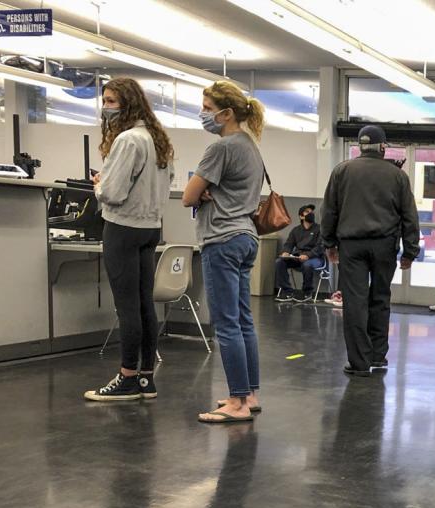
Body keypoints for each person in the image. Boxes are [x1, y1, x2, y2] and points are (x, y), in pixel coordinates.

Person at [84, 78, 174, 401]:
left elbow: (112, 192)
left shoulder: (127, 140)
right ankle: (146, 378)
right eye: (104, 100)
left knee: (127, 308)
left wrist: (99, 184)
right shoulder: (157, 139)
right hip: (150, 228)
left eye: (111, 101)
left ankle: (127, 377)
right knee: (144, 303)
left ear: (128, 104)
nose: (105, 107)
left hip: (122, 228)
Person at [182, 80, 266, 422]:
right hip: (246, 237)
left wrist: (201, 192)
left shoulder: (221, 148)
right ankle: (250, 394)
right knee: (244, 321)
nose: (203, 114)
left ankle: (236, 403)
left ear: (226, 113)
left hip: (221, 238)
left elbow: (188, 195)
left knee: (226, 323)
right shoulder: (250, 146)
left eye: (206, 108)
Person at [320, 125, 420, 376]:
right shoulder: (397, 176)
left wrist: (329, 244)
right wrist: (410, 251)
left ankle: (360, 362)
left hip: (351, 246)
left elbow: (329, 211)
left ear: (360, 146)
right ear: (383, 147)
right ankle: (378, 356)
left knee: (355, 303)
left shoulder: (342, 171)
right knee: (380, 299)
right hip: (384, 246)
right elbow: (409, 215)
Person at [275, 204, 325, 302]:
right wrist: (285, 252)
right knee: (279, 262)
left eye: (311, 212)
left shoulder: (319, 229)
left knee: (307, 265)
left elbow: (320, 247)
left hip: (316, 258)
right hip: (298, 257)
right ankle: (287, 292)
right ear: (301, 216)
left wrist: (308, 255)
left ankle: (307, 293)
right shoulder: (296, 230)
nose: (310, 213)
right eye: (307, 212)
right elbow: (289, 244)